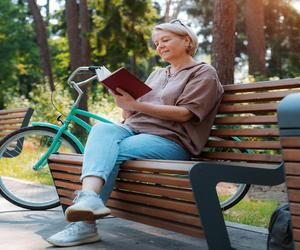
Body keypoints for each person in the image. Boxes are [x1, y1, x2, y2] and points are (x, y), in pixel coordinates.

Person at [47, 19, 224, 247]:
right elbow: (131, 113)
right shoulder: (158, 74)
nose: (159, 46)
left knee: (112, 151)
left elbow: (184, 114)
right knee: (102, 129)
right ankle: (89, 199)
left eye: (165, 40)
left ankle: (85, 226)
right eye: (156, 43)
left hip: (170, 140)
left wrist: (137, 106)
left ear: (186, 40)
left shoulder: (203, 73)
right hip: (135, 129)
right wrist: (121, 99)